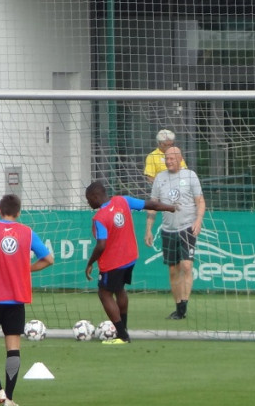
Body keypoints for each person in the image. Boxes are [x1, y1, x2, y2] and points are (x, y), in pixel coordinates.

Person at [0, 194, 54, 406]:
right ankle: (10, 398)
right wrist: (27, 268)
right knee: (13, 347)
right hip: (16, 298)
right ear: (18, 212)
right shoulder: (27, 232)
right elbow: (49, 259)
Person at [85, 181, 176, 344]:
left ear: (95, 197)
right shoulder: (123, 200)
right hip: (130, 258)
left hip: (113, 262)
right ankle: (124, 329)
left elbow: (101, 245)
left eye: (88, 199)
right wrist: (170, 207)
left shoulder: (99, 217)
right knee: (119, 289)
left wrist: (90, 263)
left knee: (104, 293)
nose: (88, 203)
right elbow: (151, 204)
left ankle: (122, 335)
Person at [144, 147, 206, 320]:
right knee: (173, 270)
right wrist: (149, 228)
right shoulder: (160, 179)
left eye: (172, 158)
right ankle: (178, 306)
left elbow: (200, 202)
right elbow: (153, 205)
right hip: (167, 230)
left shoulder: (190, 176)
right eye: (167, 158)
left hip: (187, 227)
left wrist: (198, 220)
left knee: (186, 265)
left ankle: (184, 304)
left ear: (180, 159)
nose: (169, 161)